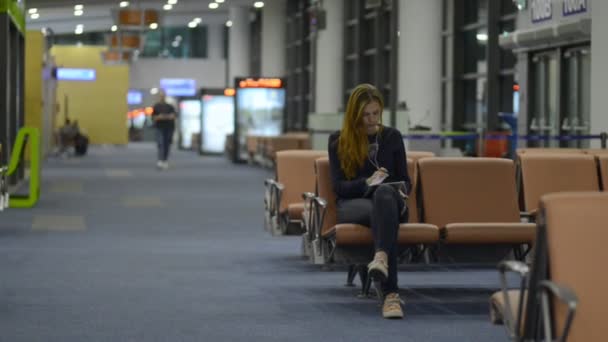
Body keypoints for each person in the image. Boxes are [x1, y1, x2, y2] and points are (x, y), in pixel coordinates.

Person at [327, 84, 411, 319]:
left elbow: (406, 180)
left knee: (384, 198)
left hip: (390, 201)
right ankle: (390, 294)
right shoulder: (338, 141)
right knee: (383, 212)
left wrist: (400, 190)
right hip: (354, 204)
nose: (372, 120)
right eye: (366, 115)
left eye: (376, 113)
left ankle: (381, 261)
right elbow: (338, 186)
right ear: (355, 114)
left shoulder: (391, 137)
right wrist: (366, 183)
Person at [151, 90, 177, 170]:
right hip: (159, 127)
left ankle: (165, 160)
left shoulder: (170, 106)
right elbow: (154, 117)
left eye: (163, 95)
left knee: (167, 144)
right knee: (160, 143)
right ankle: (160, 160)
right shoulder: (156, 106)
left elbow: (174, 116)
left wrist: (166, 117)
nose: (162, 97)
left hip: (169, 127)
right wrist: (160, 117)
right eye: (161, 95)